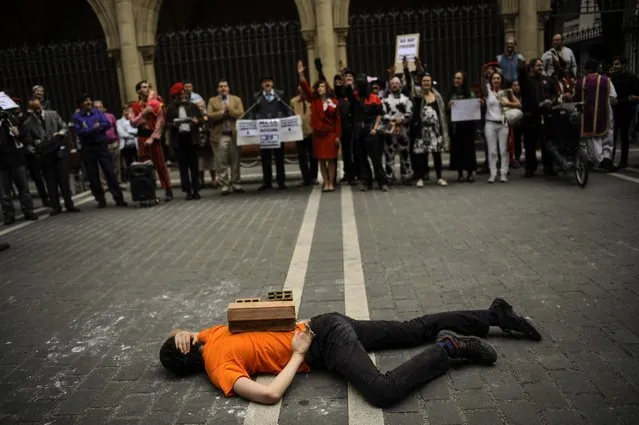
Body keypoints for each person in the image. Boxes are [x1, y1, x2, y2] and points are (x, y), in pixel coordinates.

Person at [159, 298, 541, 408]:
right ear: (187, 345)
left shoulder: (214, 360)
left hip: (322, 341)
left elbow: (270, 395)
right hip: (326, 322)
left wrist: (297, 353)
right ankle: (493, 315)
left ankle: (451, 346)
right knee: (411, 329)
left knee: (382, 392)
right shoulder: (210, 336)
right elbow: (186, 330)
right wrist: (182, 332)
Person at [22, 99, 80, 215]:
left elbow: (64, 126)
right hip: (45, 155)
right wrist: (35, 149)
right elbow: (28, 142)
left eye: (39, 108)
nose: (38, 111)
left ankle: (69, 204)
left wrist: (61, 133)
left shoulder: (53, 114)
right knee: (50, 181)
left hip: (58, 152)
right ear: (30, 110)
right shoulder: (28, 123)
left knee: (64, 180)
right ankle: (56, 206)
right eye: (35, 109)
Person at [72, 94, 127, 208]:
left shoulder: (97, 112)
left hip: (101, 145)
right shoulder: (77, 116)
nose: (88, 102)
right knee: (92, 174)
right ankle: (100, 199)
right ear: (80, 104)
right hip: (87, 147)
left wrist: (97, 128)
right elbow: (80, 131)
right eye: (85, 101)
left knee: (109, 171)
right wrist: (93, 129)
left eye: (89, 100)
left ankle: (118, 198)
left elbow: (106, 124)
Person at [297, 60, 342, 192]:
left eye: (322, 86)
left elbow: (337, 121)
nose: (320, 88)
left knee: (331, 161)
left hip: (330, 135)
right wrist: (301, 74)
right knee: (321, 160)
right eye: (318, 87)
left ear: (326, 88)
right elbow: (305, 87)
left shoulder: (333, 102)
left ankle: (331, 182)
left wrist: (338, 136)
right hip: (318, 135)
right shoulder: (314, 101)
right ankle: (326, 182)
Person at [129, 80, 173, 202]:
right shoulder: (133, 107)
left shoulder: (156, 104)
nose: (147, 89)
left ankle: (168, 189)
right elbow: (133, 123)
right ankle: (149, 190)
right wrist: (143, 114)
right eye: (143, 87)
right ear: (138, 91)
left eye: (148, 87)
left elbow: (160, 122)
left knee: (160, 164)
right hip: (141, 138)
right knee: (145, 166)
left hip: (154, 138)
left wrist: (153, 138)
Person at [574, 59, 618, 171]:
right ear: (597, 68)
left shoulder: (581, 82)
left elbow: (576, 99)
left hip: (587, 114)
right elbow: (613, 97)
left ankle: (598, 160)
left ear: (587, 69)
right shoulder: (606, 80)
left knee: (592, 137)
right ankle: (607, 159)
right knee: (607, 135)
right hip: (606, 112)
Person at [346, 73, 388, 192]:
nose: (361, 85)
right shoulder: (354, 97)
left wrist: (375, 128)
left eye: (362, 83)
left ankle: (382, 182)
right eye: (358, 83)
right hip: (359, 131)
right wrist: (348, 82)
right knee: (362, 159)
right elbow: (347, 92)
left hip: (371, 130)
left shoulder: (374, 97)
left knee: (376, 159)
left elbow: (380, 113)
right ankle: (367, 182)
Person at [250, 76, 292, 191]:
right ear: (261, 85)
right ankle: (267, 182)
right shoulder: (257, 97)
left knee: (279, 157)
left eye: (269, 81)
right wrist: (250, 125)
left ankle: (281, 181)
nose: (267, 83)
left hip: (278, 131)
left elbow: (286, 109)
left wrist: (292, 121)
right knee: (265, 158)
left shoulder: (280, 94)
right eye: (264, 82)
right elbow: (253, 112)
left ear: (272, 83)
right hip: (264, 131)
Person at [0, 106, 38, 225]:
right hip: (1, 162)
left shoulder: (13, 120)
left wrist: (18, 133)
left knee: (23, 188)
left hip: (17, 158)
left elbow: (26, 138)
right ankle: (9, 214)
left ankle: (28, 210)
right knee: (4, 191)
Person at [411, 73, 450, 187]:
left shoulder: (437, 96)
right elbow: (411, 86)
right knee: (422, 155)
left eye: (428, 81)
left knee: (437, 154)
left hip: (435, 130)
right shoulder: (418, 95)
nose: (426, 83)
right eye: (424, 81)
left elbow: (441, 112)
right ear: (421, 83)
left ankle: (439, 177)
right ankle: (420, 178)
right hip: (422, 130)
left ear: (431, 82)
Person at [166, 82, 202, 200]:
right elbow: (166, 123)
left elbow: (201, 119)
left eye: (183, 94)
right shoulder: (170, 108)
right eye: (179, 95)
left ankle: (196, 189)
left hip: (192, 138)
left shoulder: (192, 106)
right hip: (179, 139)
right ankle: (187, 190)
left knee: (194, 165)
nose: (182, 97)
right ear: (175, 96)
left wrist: (198, 121)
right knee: (183, 166)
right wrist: (174, 124)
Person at [208, 79, 245, 195]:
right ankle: (224, 185)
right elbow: (209, 116)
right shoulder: (212, 101)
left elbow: (241, 114)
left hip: (233, 134)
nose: (223, 88)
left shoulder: (236, 99)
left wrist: (230, 110)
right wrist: (221, 113)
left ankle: (236, 183)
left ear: (228, 88)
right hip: (220, 135)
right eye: (220, 86)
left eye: (225, 86)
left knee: (235, 161)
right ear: (217, 89)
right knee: (221, 162)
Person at [483, 70, 521, 183]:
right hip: (490, 123)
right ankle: (493, 174)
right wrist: (483, 73)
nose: (496, 80)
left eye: (498, 78)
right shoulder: (487, 91)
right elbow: (482, 83)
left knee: (504, 150)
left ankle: (503, 173)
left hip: (503, 123)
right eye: (494, 78)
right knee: (492, 151)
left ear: (501, 80)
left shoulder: (507, 92)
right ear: (490, 80)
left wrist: (507, 103)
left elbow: (518, 104)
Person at [381, 76, 413, 184]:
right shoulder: (385, 100)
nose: (394, 85)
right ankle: (389, 176)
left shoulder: (406, 99)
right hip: (390, 131)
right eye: (393, 83)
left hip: (403, 131)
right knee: (389, 155)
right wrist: (392, 119)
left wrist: (402, 120)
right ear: (390, 86)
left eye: (396, 83)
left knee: (404, 154)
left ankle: (406, 176)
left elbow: (410, 113)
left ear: (400, 85)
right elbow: (383, 114)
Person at [448, 71, 478, 182]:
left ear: (463, 80)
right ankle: (460, 173)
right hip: (456, 128)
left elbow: (474, 107)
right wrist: (449, 105)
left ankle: (470, 173)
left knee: (469, 150)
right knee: (457, 151)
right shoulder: (451, 92)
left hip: (468, 127)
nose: (456, 80)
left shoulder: (469, 93)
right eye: (455, 78)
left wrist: (478, 102)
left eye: (459, 78)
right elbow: (446, 109)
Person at [610, 56, 639, 169]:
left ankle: (623, 161)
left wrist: (626, 100)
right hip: (615, 108)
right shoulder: (613, 77)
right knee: (612, 135)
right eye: (614, 64)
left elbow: (634, 95)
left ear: (623, 65)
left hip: (626, 109)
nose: (615, 66)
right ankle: (610, 159)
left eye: (617, 64)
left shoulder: (631, 77)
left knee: (624, 136)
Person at [290, 83, 318, 187]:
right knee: (302, 157)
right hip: (299, 132)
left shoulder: (313, 100)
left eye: (303, 89)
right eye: (300, 89)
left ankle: (314, 177)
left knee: (313, 156)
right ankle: (305, 178)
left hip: (312, 131)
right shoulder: (293, 101)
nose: (301, 91)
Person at [116, 106, 138, 183]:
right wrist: (132, 134)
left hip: (135, 145)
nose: (127, 113)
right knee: (128, 163)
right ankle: (131, 178)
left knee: (138, 161)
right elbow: (121, 134)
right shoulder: (119, 122)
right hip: (126, 146)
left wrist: (129, 131)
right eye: (125, 111)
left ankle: (139, 177)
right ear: (122, 112)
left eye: (128, 111)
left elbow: (138, 131)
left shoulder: (135, 119)